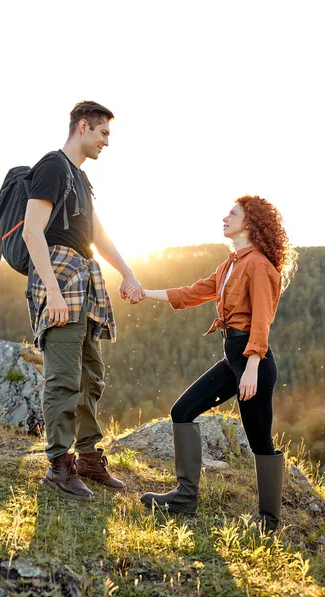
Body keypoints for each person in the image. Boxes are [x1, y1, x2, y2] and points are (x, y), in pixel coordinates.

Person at [130, 196, 297, 532]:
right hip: (232, 358)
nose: (225, 217)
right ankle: (184, 498)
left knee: (259, 441)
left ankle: (268, 521)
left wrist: (251, 367)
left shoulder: (260, 265)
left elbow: (262, 320)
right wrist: (143, 292)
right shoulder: (229, 265)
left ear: (249, 223)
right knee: (183, 410)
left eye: (232, 214)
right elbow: (192, 293)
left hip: (255, 364)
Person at [22, 101, 143, 501]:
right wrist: (52, 293)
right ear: (84, 127)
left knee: (92, 374)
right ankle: (59, 465)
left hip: (85, 280)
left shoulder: (81, 179)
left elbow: (98, 234)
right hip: (58, 281)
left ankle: (89, 457)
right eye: (103, 133)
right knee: (63, 378)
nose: (107, 142)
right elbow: (32, 232)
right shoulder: (53, 167)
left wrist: (126, 272)